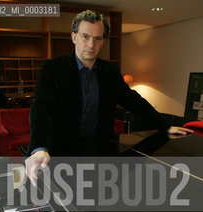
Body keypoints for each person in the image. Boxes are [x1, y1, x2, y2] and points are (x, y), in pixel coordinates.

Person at [25, 10, 193, 186]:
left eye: (97, 38)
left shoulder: (110, 71)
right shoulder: (53, 68)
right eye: (85, 36)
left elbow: (133, 101)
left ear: (103, 41)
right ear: (74, 37)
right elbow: (40, 108)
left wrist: (164, 125)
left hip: (101, 152)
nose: (91, 44)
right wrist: (39, 148)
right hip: (63, 152)